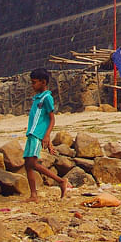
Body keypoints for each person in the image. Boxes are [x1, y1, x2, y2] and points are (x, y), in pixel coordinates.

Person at [23, 68, 71, 201]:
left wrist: (47, 136)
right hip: (32, 134)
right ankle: (33, 195)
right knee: (28, 165)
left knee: (32, 163)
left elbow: (51, 118)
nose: (32, 85)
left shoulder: (47, 98)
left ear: (43, 82)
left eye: (34, 82)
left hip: (37, 135)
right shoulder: (37, 98)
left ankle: (60, 181)